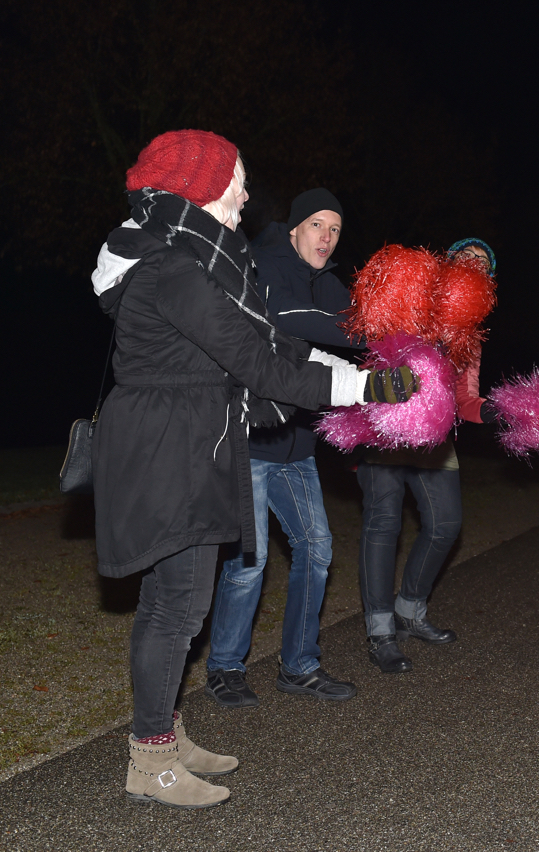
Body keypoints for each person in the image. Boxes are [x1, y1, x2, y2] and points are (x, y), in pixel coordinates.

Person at [91, 130, 416, 809]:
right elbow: (260, 363)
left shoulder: (190, 259)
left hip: (190, 442)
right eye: (234, 179)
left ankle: (162, 734)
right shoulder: (173, 267)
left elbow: (270, 343)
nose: (245, 193)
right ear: (196, 187)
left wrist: (354, 375)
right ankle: (150, 761)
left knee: (180, 603)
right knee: (176, 606)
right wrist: (363, 391)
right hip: (168, 449)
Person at [204, 188, 364, 708]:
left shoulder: (331, 283)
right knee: (249, 563)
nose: (327, 236)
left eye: (335, 228)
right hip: (251, 438)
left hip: (297, 444)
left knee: (316, 549)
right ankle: (225, 666)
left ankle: (299, 664)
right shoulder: (264, 263)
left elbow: (352, 353)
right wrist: (373, 325)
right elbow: (291, 319)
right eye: (317, 224)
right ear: (294, 228)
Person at [355, 238, 498, 674]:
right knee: (384, 521)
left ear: (489, 282)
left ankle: (409, 610)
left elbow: (464, 399)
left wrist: (494, 411)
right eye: (464, 257)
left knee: (446, 523)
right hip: (384, 424)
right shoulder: (411, 296)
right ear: (445, 264)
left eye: (483, 263)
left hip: (434, 439)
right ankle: (380, 632)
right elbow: (371, 348)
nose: (472, 265)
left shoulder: (469, 336)